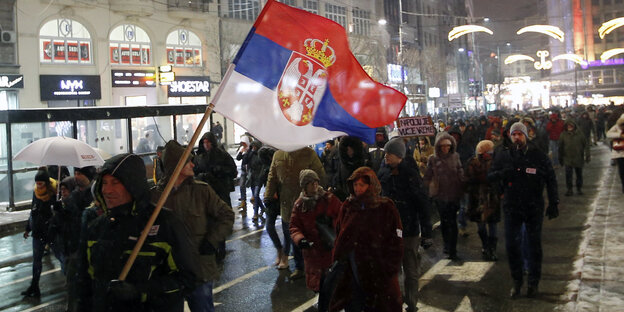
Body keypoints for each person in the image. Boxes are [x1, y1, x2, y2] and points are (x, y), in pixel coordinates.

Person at [77, 153, 199, 312]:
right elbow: (84, 282)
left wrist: (140, 291)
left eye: (115, 183)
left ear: (132, 184)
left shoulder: (165, 224)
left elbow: (186, 280)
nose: (107, 190)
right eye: (104, 183)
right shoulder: (96, 229)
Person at [152, 141, 235, 312]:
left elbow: (226, 215)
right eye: (187, 161)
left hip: (199, 270)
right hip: (167, 274)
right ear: (175, 165)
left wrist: (211, 241)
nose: (193, 164)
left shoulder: (201, 191)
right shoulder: (156, 195)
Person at [488, 122, 559, 298]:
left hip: (533, 205)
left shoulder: (537, 155)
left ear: (526, 136)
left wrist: (553, 202)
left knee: (534, 245)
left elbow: (550, 178)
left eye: (520, 134)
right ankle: (517, 281)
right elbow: (491, 176)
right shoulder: (505, 156)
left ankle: (533, 283)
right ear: (510, 137)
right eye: (514, 134)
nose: (517, 137)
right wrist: (504, 176)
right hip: (512, 206)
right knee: (512, 245)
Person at [329, 167, 403, 311]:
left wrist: (390, 266)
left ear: (371, 185)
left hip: (378, 268)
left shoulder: (385, 207)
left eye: (362, 185)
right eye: (355, 185)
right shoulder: (348, 206)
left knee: (379, 305)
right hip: (352, 267)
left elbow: (396, 238)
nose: (357, 189)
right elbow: (339, 233)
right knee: (355, 303)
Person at [377, 138, 431, 312]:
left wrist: (427, 232)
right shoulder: (383, 172)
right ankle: (394, 300)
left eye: (389, 154)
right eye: (385, 153)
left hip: (408, 229)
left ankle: (411, 302)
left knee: (410, 268)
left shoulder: (410, 175)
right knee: (390, 268)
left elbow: (422, 204)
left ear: (399, 156)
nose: (386, 157)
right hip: (388, 229)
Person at [264, 147, 326, 278]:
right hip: (286, 201)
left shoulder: (309, 153)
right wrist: (268, 196)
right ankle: (300, 267)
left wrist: (321, 194)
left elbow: (320, 175)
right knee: (293, 234)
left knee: (309, 234)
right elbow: (272, 176)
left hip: (307, 201)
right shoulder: (278, 155)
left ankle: (314, 265)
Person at [289, 170, 341, 293]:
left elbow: (342, 214)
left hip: (328, 247)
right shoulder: (299, 205)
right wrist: (300, 239)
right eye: (310, 183)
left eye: (316, 182)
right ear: (304, 186)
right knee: (318, 284)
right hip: (312, 251)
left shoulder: (328, 199)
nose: (314, 186)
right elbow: (294, 226)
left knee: (332, 284)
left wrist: (331, 223)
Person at [193, 132, 237, 262]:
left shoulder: (222, 155)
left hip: (220, 192)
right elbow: (195, 172)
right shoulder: (199, 157)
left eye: (208, 142)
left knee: (219, 221)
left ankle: (220, 250)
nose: (206, 145)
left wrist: (219, 171)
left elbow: (233, 171)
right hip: (205, 193)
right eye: (204, 143)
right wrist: (201, 176)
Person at [21, 169, 63, 297]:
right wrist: (28, 228)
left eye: (41, 184)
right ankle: (34, 286)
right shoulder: (36, 193)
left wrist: (56, 207)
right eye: (37, 183)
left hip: (51, 233)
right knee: (36, 262)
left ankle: (73, 282)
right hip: (38, 233)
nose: (39, 186)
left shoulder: (55, 195)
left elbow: (59, 214)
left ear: (46, 183)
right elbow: (33, 211)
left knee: (61, 257)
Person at [423, 132, 465, 260]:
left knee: (452, 222)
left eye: (448, 146)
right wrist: (426, 190)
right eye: (443, 146)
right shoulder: (433, 159)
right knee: (445, 222)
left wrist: (463, 186)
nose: (445, 148)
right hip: (440, 195)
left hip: (453, 194)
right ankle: (447, 245)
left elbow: (460, 172)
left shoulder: (455, 157)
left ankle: (453, 249)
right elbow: (428, 176)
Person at [465, 140, 501, 261]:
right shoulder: (472, 163)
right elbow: (468, 179)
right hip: (478, 199)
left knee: (492, 226)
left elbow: (499, 178)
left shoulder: (496, 163)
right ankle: (486, 246)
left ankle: (492, 248)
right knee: (481, 227)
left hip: (492, 198)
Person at [558, 120, 590, 196]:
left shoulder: (580, 134)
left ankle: (579, 188)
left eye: (571, 125)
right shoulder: (563, 135)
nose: (569, 127)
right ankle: (569, 189)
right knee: (568, 175)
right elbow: (560, 147)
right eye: (568, 126)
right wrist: (560, 158)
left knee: (579, 174)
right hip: (567, 158)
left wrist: (587, 155)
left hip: (578, 157)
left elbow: (586, 145)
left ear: (574, 126)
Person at [331, 136, 367, 201]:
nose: (349, 150)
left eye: (351, 148)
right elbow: (339, 181)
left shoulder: (364, 164)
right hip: (346, 199)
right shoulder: (343, 165)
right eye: (346, 148)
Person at [246, 140, 266, 221]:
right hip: (252, 178)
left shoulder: (261, 155)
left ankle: (255, 213)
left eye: (255, 146)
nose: (253, 148)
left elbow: (263, 166)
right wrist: (248, 152)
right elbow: (244, 161)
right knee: (255, 195)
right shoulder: (250, 154)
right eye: (252, 146)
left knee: (256, 195)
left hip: (259, 178)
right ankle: (263, 208)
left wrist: (262, 176)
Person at [606, 113, 624, 193]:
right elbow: (608, 134)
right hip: (620, 152)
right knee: (622, 170)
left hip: (620, 152)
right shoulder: (617, 127)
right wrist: (619, 135)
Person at [235, 135, 252, 215]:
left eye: (244, 143)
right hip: (243, 170)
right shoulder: (242, 149)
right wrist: (241, 152)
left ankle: (254, 197)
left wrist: (246, 152)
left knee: (251, 184)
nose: (243, 145)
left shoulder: (251, 150)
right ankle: (243, 200)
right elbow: (238, 158)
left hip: (250, 170)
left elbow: (248, 159)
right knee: (242, 185)